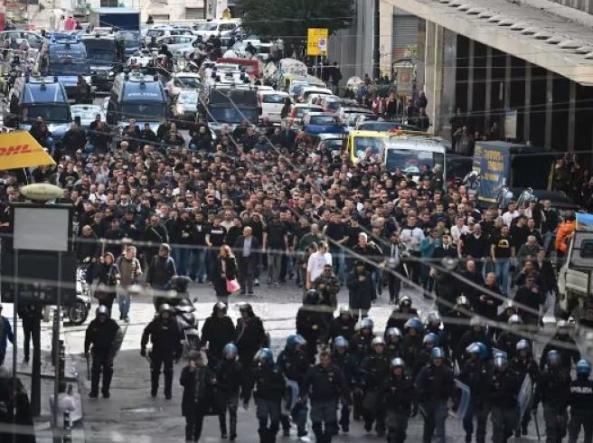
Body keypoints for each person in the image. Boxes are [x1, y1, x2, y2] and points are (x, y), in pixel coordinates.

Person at [301, 349, 348, 443]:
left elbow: (343, 384)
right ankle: (319, 439)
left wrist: (347, 399)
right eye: (322, 360)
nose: (324, 362)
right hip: (316, 400)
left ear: (329, 360)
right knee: (316, 423)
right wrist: (303, 395)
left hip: (330, 400)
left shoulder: (335, 370)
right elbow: (305, 383)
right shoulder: (313, 370)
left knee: (330, 424)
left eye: (326, 360)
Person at [140, 303, 182, 399]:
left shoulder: (174, 324)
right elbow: (146, 332)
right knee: (155, 371)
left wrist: (178, 352)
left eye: (167, 313)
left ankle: (168, 392)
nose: (165, 315)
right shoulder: (155, 323)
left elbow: (179, 338)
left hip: (169, 351)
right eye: (163, 313)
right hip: (157, 350)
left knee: (169, 372)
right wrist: (143, 346)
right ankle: (154, 389)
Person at [415, 347, 454, 443]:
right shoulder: (426, 370)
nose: (437, 361)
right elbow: (418, 384)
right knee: (428, 424)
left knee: (440, 423)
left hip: (441, 401)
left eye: (439, 359)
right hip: (427, 401)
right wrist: (421, 397)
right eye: (436, 358)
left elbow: (451, 386)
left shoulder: (447, 371)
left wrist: (445, 394)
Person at [84, 306, 123, 398]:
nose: (102, 318)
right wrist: (86, 350)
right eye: (100, 316)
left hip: (108, 351)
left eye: (103, 316)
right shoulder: (93, 324)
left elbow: (119, 335)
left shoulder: (112, 324)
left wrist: (114, 350)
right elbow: (88, 338)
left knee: (108, 371)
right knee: (95, 371)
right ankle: (94, 391)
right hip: (97, 351)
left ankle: (105, 391)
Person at [180, 350, 218, 442]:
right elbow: (183, 382)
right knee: (190, 422)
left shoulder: (205, 369)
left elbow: (212, 380)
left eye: (199, 359)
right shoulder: (187, 370)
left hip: (202, 401)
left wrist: (213, 381)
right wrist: (191, 371)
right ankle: (189, 439)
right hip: (189, 401)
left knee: (198, 423)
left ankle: (196, 438)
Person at [277, 335, 310, 438]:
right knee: (284, 410)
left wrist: (305, 382)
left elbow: (308, 371)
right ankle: (286, 428)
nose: (298, 347)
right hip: (287, 387)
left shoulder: (302, 355)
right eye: (297, 345)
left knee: (302, 408)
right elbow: (278, 371)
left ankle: (301, 429)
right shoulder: (283, 356)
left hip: (300, 386)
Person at [535, 350, 571, 443]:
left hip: (562, 406)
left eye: (555, 360)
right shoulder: (544, 375)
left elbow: (568, 391)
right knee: (551, 428)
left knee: (561, 429)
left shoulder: (565, 375)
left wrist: (568, 403)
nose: (554, 362)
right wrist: (535, 404)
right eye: (552, 360)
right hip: (549, 404)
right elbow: (538, 390)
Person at [251, 348, 285, 443]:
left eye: (262, 359)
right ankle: (264, 439)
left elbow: (282, 385)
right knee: (262, 420)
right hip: (262, 398)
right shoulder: (258, 370)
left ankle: (270, 437)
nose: (261, 361)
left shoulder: (276, 370)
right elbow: (252, 380)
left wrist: (271, 386)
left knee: (275, 422)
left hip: (274, 399)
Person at [459, 342, 490, 443]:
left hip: (483, 398)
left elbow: (488, 383)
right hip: (470, 396)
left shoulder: (487, 366)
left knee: (481, 421)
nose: (471, 355)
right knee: (467, 417)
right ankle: (468, 433)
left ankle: (480, 440)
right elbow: (462, 377)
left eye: (474, 354)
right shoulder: (468, 363)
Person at [380, 357, 416, 443]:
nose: (398, 371)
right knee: (393, 428)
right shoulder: (388, 380)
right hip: (392, 408)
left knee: (401, 431)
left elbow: (413, 394)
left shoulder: (408, 381)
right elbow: (381, 393)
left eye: (399, 369)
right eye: (396, 369)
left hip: (404, 409)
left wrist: (415, 406)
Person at [215, 343, 246, 441]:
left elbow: (242, 380)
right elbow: (217, 378)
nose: (230, 355)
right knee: (222, 412)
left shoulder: (238, 366)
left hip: (233, 391)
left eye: (232, 353)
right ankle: (223, 431)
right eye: (228, 353)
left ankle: (233, 432)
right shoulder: (220, 365)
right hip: (222, 391)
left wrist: (243, 392)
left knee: (233, 412)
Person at [359, 336, 389, 436]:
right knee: (368, 409)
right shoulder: (368, 359)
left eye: (380, 346)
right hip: (371, 388)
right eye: (377, 346)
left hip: (383, 388)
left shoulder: (387, 359)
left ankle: (380, 428)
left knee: (382, 410)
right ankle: (369, 422)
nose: (379, 348)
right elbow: (362, 371)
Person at [488, 352, 520, 443]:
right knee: (497, 425)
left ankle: (504, 438)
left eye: (502, 364)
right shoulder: (492, 374)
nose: (500, 366)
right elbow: (488, 389)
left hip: (509, 405)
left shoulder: (512, 375)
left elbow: (516, 389)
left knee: (509, 426)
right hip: (497, 404)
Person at [568, 359, 593, 443]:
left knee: (573, 436)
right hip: (589, 414)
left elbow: (568, 399)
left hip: (575, 414)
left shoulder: (573, 384)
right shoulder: (591, 385)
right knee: (588, 436)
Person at [115, 245, 142, 322]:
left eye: (135, 253)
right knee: (120, 301)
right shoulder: (120, 259)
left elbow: (139, 269)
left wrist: (139, 272)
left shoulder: (136, 261)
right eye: (132, 253)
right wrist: (117, 275)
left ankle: (125, 315)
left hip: (130, 284)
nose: (134, 254)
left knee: (128, 301)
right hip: (121, 283)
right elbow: (115, 268)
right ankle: (122, 313)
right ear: (127, 252)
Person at [146, 243, 176, 310]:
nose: (160, 251)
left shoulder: (170, 260)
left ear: (167, 251)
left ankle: (163, 312)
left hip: (166, 284)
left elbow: (173, 273)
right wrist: (148, 281)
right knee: (156, 300)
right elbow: (150, 271)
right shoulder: (155, 259)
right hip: (156, 284)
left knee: (165, 300)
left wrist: (174, 283)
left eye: (162, 250)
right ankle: (157, 312)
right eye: (160, 250)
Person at [234, 226, 260, 296]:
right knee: (241, 274)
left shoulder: (254, 239)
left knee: (250, 273)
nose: (245, 232)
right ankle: (242, 289)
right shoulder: (240, 238)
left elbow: (257, 251)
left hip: (251, 259)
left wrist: (257, 261)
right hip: (241, 258)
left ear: (250, 232)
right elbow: (235, 248)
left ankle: (250, 289)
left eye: (247, 231)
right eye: (244, 231)